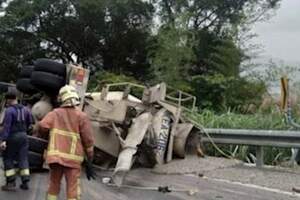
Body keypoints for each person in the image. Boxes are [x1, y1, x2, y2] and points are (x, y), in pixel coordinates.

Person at [37, 85, 95, 200]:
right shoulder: (81, 116)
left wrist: (46, 135)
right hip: (73, 160)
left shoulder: (55, 113)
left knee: (54, 185)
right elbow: (88, 140)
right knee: (72, 188)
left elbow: (42, 125)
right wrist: (90, 158)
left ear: (61, 99)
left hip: (56, 158)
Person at [0, 88, 33, 191]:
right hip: (24, 137)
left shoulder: (9, 111)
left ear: (9, 100)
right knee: (23, 158)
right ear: (17, 98)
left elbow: (6, 127)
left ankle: (10, 182)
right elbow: (29, 123)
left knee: (8, 158)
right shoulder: (26, 110)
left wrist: (3, 140)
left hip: (12, 137)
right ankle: (25, 181)